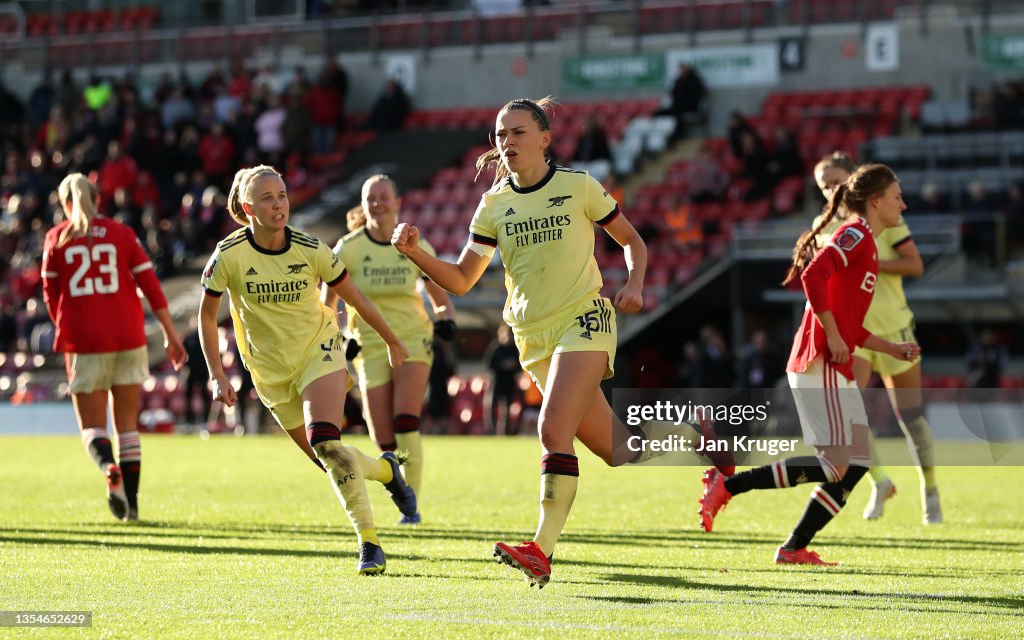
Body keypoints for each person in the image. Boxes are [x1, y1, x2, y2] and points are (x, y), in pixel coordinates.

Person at [391, 97, 647, 588]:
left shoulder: (578, 186)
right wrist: (416, 252)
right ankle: (700, 437)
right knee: (620, 451)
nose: (506, 142)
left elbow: (632, 241)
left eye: (518, 132)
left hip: (585, 318)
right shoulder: (494, 204)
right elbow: (463, 280)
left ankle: (540, 550)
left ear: (545, 139)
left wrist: (633, 283)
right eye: (500, 134)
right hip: (532, 337)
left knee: (552, 430)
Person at [197, 164, 415, 575]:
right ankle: (388, 471)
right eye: (267, 198)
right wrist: (217, 374)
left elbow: (356, 298)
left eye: (281, 196)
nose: (278, 205)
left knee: (326, 442)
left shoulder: (311, 248)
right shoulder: (228, 255)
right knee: (330, 461)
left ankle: (369, 544)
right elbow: (207, 317)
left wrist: (391, 339)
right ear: (248, 207)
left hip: (321, 351)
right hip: (270, 372)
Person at [699, 163, 921, 565]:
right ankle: (731, 484)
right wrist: (834, 336)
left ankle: (793, 548)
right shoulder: (855, 234)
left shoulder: (866, 244)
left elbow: (849, 323)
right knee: (837, 464)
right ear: (875, 201)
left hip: (833, 362)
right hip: (820, 360)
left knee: (854, 466)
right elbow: (813, 276)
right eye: (897, 196)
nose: (903, 204)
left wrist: (891, 349)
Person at [41, 173, 186, 522]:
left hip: (83, 341)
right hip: (128, 336)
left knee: (92, 427)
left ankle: (109, 468)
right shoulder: (122, 234)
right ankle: (132, 509)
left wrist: (69, 323)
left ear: (65, 203)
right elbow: (151, 287)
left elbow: (50, 296)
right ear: (97, 199)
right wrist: (170, 334)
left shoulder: (56, 239)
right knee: (127, 427)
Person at [812, 151, 943, 524]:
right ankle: (880, 481)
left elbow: (915, 264)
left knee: (911, 418)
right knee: (851, 412)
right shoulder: (823, 226)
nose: (830, 190)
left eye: (836, 181)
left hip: (895, 327)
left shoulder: (883, 217)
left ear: (853, 180)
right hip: (856, 335)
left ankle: (929, 489)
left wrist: (865, 260)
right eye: (824, 185)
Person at [323, 175, 456, 525]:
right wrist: (339, 337)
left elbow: (441, 297)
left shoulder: (413, 242)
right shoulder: (347, 248)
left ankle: (412, 508)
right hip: (368, 345)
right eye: (371, 199)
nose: (378, 204)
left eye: (384, 197)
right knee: (382, 436)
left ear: (398, 202)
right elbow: (328, 304)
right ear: (364, 206)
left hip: (413, 338)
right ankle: (400, 488)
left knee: (405, 419)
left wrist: (445, 319)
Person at [483, 324, 522, 435]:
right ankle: (491, 431)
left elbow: (520, 367)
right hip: (497, 381)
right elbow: (489, 364)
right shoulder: (496, 348)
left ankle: (505, 432)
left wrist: (513, 366)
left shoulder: (514, 350)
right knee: (491, 407)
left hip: (509, 382)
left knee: (507, 409)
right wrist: (502, 365)